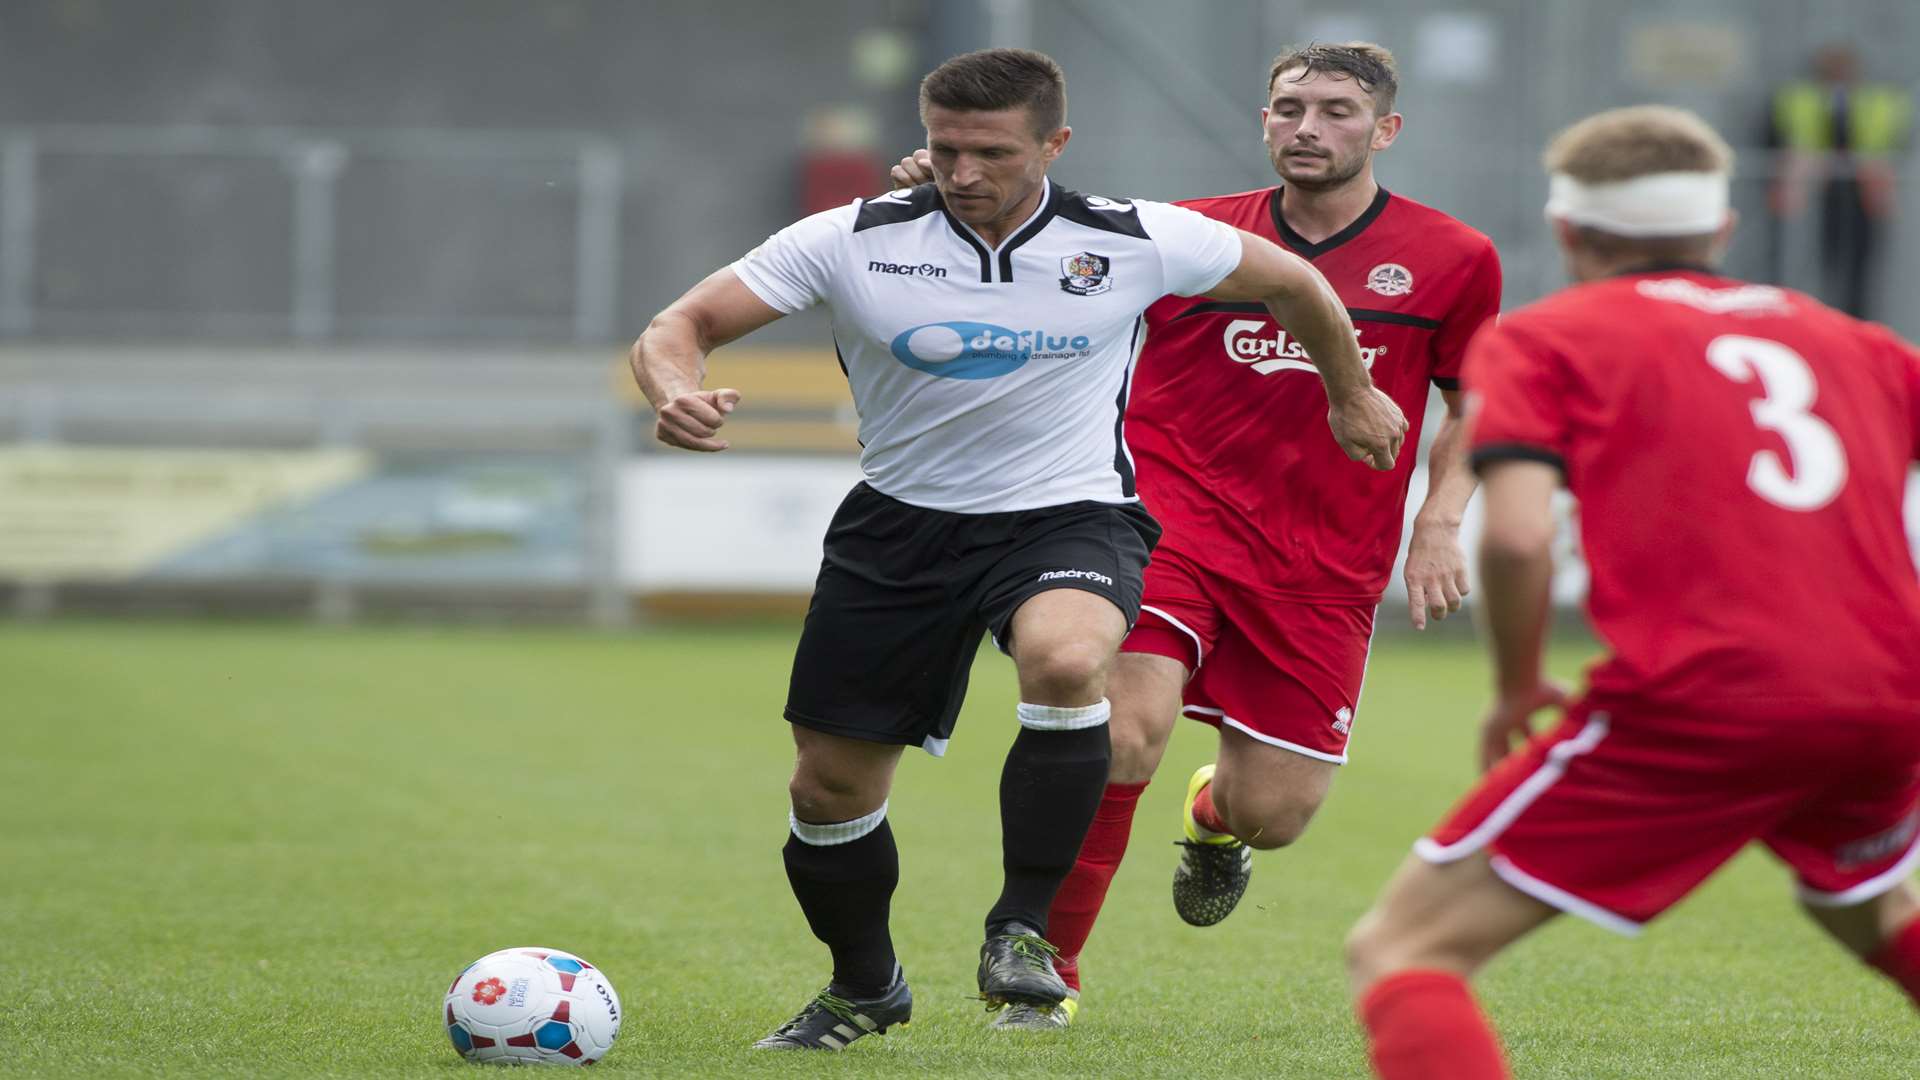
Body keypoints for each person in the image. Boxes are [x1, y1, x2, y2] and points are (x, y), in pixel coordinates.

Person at [629, 47, 1409, 1051]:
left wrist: (1348, 389)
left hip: (1069, 514)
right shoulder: (850, 238)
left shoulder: (1130, 238)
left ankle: (1022, 934)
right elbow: (683, 321)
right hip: (900, 526)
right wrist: (673, 385)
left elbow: (1298, 284)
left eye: (990, 152)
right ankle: (865, 985)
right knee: (828, 788)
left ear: (1054, 144)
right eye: (945, 149)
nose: (962, 174)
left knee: (1069, 657)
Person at [888, 41, 1499, 1029]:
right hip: (1165, 523)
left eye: (1338, 111)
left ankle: (1216, 819)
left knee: (1278, 815)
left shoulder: (1455, 257)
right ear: (1264, 121)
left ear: (1385, 131)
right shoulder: (1187, 236)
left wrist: (1439, 520)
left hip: (1323, 565)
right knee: (1123, 730)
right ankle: (1047, 974)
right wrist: (948, 187)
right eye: (1290, 107)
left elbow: (1476, 403)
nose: (1309, 127)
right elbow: (1045, 233)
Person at [1345, 105, 1920, 1080]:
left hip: (1716, 694)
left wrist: (1517, 683)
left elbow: (1520, 531)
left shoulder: (1549, 338)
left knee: (1402, 951)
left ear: (1568, 229)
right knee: (1865, 905)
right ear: (1722, 229)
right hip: (1889, 699)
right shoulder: (1858, 343)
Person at [1766, 43, 1911, 319]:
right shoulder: (1798, 98)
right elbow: (1777, 138)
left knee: (1861, 266)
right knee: (1803, 259)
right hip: (1813, 194)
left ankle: (1857, 318)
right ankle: (1802, 317)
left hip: (1863, 195)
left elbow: (1896, 141)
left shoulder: (1878, 100)